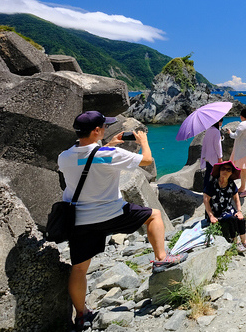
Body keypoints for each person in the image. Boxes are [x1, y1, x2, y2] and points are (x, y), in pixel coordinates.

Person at [58, 111, 185, 330]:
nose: (107, 129)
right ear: (96, 130)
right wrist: (144, 141)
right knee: (154, 215)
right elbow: (147, 161)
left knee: (79, 269)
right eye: (104, 126)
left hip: (81, 219)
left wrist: (106, 145)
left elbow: (86, 158)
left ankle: (81, 315)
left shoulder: (65, 156)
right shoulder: (108, 154)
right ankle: (161, 257)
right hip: (112, 213)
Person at [203, 160, 246, 253]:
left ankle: (244, 242)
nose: (225, 171)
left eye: (229, 170)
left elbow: (236, 198)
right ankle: (235, 242)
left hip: (228, 209)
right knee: (231, 219)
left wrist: (239, 211)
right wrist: (211, 216)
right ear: (219, 171)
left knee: (241, 219)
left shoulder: (231, 184)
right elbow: (206, 200)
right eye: (223, 169)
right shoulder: (212, 184)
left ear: (231, 173)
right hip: (216, 212)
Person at [225, 108, 246, 197]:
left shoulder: (242, 124)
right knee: (243, 169)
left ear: (241, 116)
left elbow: (235, 136)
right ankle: (243, 187)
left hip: (245, 151)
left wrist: (229, 132)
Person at [200, 119, 224, 190]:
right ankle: (213, 191)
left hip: (207, 156)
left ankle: (205, 190)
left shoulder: (208, 130)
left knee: (208, 174)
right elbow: (217, 145)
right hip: (214, 157)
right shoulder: (216, 131)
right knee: (215, 175)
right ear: (219, 122)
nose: (222, 123)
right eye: (221, 121)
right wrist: (220, 157)